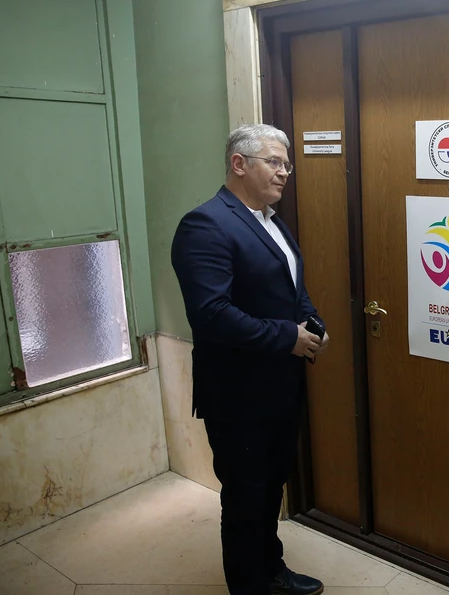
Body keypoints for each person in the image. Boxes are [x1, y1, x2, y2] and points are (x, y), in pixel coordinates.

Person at [172, 124, 329, 595]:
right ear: (239, 164)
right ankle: (248, 585)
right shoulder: (205, 225)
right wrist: (287, 337)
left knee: (271, 487)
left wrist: (313, 324)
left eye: (287, 164)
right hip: (237, 395)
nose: (284, 172)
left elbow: (291, 288)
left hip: (280, 386)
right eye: (274, 162)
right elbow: (211, 314)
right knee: (245, 497)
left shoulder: (270, 220)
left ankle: (271, 569)